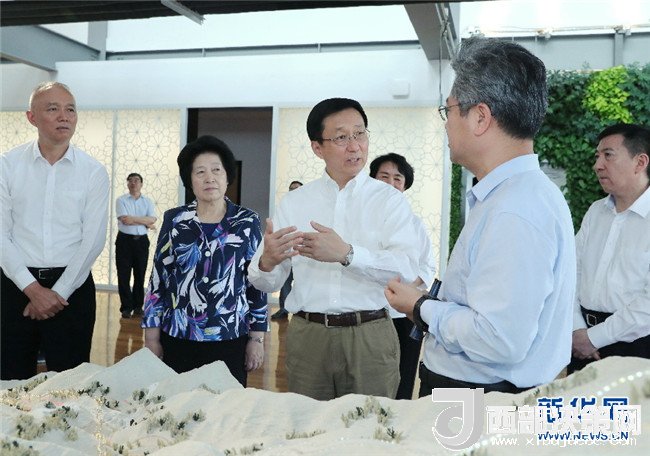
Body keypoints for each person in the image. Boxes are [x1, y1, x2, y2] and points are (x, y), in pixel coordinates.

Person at [385, 36, 576, 395]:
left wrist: (421, 307)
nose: (446, 124)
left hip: (476, 398)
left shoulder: (515, 209)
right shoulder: (514, 195)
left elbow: (497, 338)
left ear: (480, 117)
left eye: (448, 110)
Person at [248, 97, 420, 400]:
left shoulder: (389, 200)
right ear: (318, 147)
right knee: (308, 425)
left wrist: (347, 254)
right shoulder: (296, 203)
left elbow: (406, 271)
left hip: (370, 334)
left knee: (371, 425)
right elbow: (266, 282)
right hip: (309, 335)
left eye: (360, 133)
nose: (354, 146)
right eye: (341, 137)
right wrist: (267, 261)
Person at [1, 82, 110, 380]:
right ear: (31, 117)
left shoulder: (93, 172)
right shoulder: (7, 165)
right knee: (10, 381)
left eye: (70, 109)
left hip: (72, 289)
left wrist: (57, 293)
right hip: (14, 285)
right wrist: (32, 289)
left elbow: (93, 241)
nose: (64, 116)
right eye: (53, 109)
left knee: (70, 384)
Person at [142, 135, 267, 387]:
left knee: (226, 405)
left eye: (216, 170)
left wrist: (257, 339)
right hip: (179, 335)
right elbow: (158, 279)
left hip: (230, 335)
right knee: (177, 403)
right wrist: (151, 337)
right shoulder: (175, 220)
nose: (209, 178)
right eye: (200, 172)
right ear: (190, 180)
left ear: (227, 176)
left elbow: (257, 282)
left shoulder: (247, 221)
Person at [568, 123, 650, 373]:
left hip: (636, 348)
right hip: (580, 340)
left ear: (640, 162)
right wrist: (576, 328)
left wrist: (594, 338)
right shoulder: (596, 212)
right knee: (578, 401)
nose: (598, 165)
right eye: (597, 156)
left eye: (608, 155)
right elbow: (571, 273)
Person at [369, 153, 437, 399]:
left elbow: (427, 266)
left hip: (405, 313)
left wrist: (405, 287)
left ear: (405, 185)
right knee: (372, 379)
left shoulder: (415, 224)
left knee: (404, 376)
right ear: (372, 180)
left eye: (397, 178)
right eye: (384, 177)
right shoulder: (362, 219)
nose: (390, 183)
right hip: (370, 313)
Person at [115, 172, 157, 319]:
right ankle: (126, 307)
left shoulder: (148, 201)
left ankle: (138, 306)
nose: (133, 183)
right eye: (130, 180)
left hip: (141, 242)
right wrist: (145, 222)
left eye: (136, 180)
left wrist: (136, 219)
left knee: (140, 274)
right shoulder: (121, 200)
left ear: (141, 184)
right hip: (124, 241)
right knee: (123, 275)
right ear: (127, 183)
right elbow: (125, 220)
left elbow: (153, 219)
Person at [271, 180, 303, 320]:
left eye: (297, 188)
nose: (294, 191)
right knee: (285, 283)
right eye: (291, 189)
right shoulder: (284, 209)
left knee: (302, 283)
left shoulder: (309, 208)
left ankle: (301, 311)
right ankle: (283, 309)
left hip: (303, 254)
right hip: (287, 253)